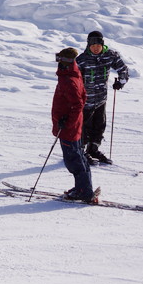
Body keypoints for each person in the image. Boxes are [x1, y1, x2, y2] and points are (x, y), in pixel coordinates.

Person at [75, 30, 129, 164]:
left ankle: (93, 149)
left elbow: (123, 69)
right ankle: (81, 152)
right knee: (84, 127)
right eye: (93, 45)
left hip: (101, 99)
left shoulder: (109, 55)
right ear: (88, 45)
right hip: (85, 100)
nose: (96, 48)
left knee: (99, 125)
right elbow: (74, 80)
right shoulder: (81, 60)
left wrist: (120, 81)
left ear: (102, 44)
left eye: (98, 45)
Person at [52, 47, 97, 203]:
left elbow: (78, 104)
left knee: (73, 160)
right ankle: (84, 188)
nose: (59, 63)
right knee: (79, 157)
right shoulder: (74, 75)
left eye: (61, 60)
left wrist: (67, 122)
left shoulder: (68, 80)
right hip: (74, 126)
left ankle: (83, 191)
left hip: (68, 129)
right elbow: (83, 97)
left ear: (67, 61)